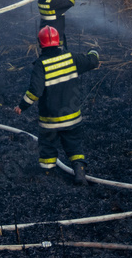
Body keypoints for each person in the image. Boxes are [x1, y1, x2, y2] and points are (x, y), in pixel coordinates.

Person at [14, 25, 100, 185]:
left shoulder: (41, 65)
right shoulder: (70, 58)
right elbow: (92, 62)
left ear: (40, 44)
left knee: (47, 145)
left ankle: (47, 173)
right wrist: (93, 51)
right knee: (74, 145)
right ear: (58, 42)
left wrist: (22, 106)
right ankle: (79, 171)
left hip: (50, 121)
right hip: (73, 118)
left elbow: (34, 91)